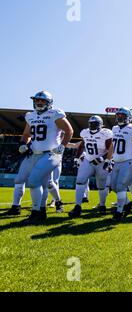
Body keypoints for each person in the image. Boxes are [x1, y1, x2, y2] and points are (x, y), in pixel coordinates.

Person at [17, 91, 73, 224]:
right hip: (35, 153)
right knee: (42, 183)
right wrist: (23, 144)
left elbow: (69, 130)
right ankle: (41, 212)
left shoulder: (55, 113)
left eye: (42, 101)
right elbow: (26, 134)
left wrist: (63, 145)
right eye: (37, 100)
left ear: (49, 103)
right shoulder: (30, 116)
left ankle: (36, 212)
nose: (39, 103)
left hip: (51, 153)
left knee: (34, 180)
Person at [104, 107, 132, 221]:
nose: (120, 117)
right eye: (119, 115)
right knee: (114, 187)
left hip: (129, 161)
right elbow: (112, 146)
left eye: (122, 115)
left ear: (128, 117)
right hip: (117, 162)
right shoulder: (115, 128)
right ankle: (127, 204)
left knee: (121, 186)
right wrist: (107, 160)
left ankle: (119, 212)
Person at [68, 115, 113, 217]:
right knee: (80, 181)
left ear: (100, 125)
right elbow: (82, 145)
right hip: (88, 160)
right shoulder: (85, 132)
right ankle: (77, 207)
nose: (92, 125)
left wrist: (103, 158)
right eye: (91, 123)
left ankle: (102, 206)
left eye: (95, 123)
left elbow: (111, 149)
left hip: (101, 161)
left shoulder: (105, 133)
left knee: (101, 185)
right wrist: (76, 157)